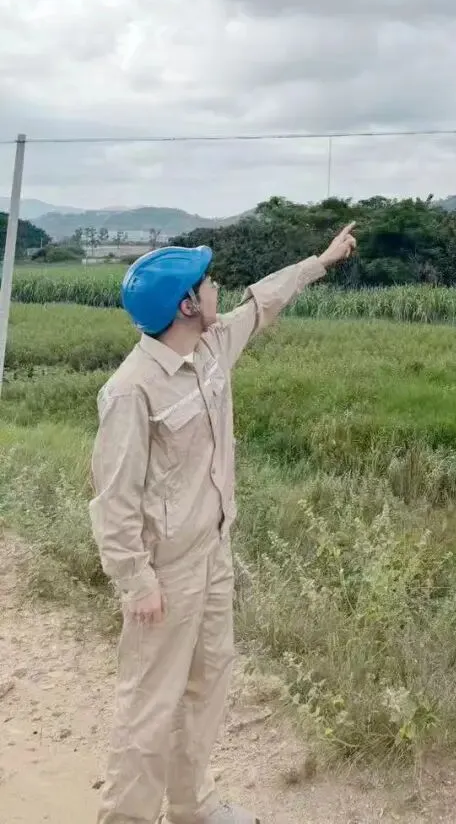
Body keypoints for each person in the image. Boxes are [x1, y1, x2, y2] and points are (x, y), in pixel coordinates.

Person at [89, 223, 357, 824]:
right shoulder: (131, 391)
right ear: (186, 304)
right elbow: (113, 500)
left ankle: (191, 807)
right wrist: (137, 583)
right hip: (165, 572)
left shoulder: (210, 348)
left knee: (207, 687)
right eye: (207, 283)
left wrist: (322, 260)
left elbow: (263, 303)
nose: (217, 289)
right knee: (150, 706)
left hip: (213, 554)